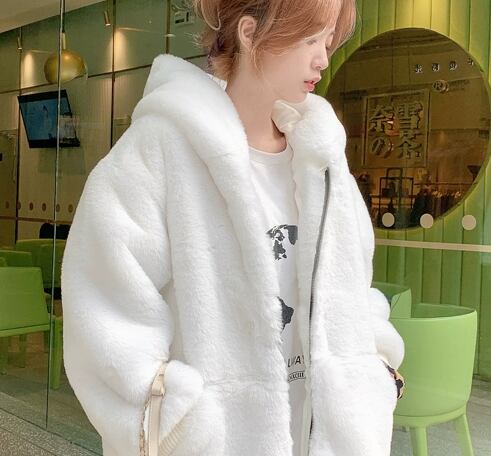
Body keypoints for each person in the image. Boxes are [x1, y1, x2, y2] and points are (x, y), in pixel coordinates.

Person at [61, 1, 405, 455]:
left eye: (327, 41)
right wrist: (179, 426)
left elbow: (354, 285)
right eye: (309, 40)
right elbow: (103, 306)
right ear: (249, 32)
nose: (323, 59)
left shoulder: (321, 158)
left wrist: (376, 371)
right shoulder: (161, 149)